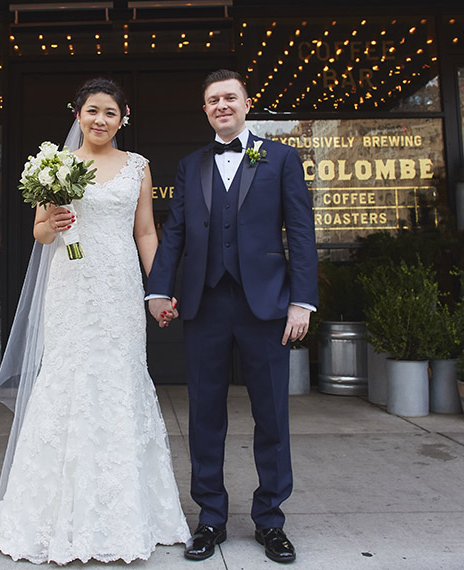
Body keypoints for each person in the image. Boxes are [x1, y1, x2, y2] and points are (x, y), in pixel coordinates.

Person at [0, 78, 190, 564]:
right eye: (93, 110)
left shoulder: (137, 167)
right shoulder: (54, 166)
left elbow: (145, 231)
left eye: (111, 112)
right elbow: (39, 231)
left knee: (119, 377)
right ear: (77, 113)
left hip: (119, 286)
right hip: (71, 283)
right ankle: (53, 514)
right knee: (69, 376)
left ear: (125, 119)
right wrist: (50, 225)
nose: (101, 120)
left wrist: (159, 286)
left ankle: (126, 511)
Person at [146, 69, 318, 564]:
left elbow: (300, 234)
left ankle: (270, 520)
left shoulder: (281, 158)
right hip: (204, 305)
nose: (221, 105)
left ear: (247, 103)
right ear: (205, 110)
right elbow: (174, 232)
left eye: (229, 98)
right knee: (204, 416)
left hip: (266, 306)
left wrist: (301, 301)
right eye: (212, 100)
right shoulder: (189, 165)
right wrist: (159, 289)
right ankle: (211, 519)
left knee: (272, 417)